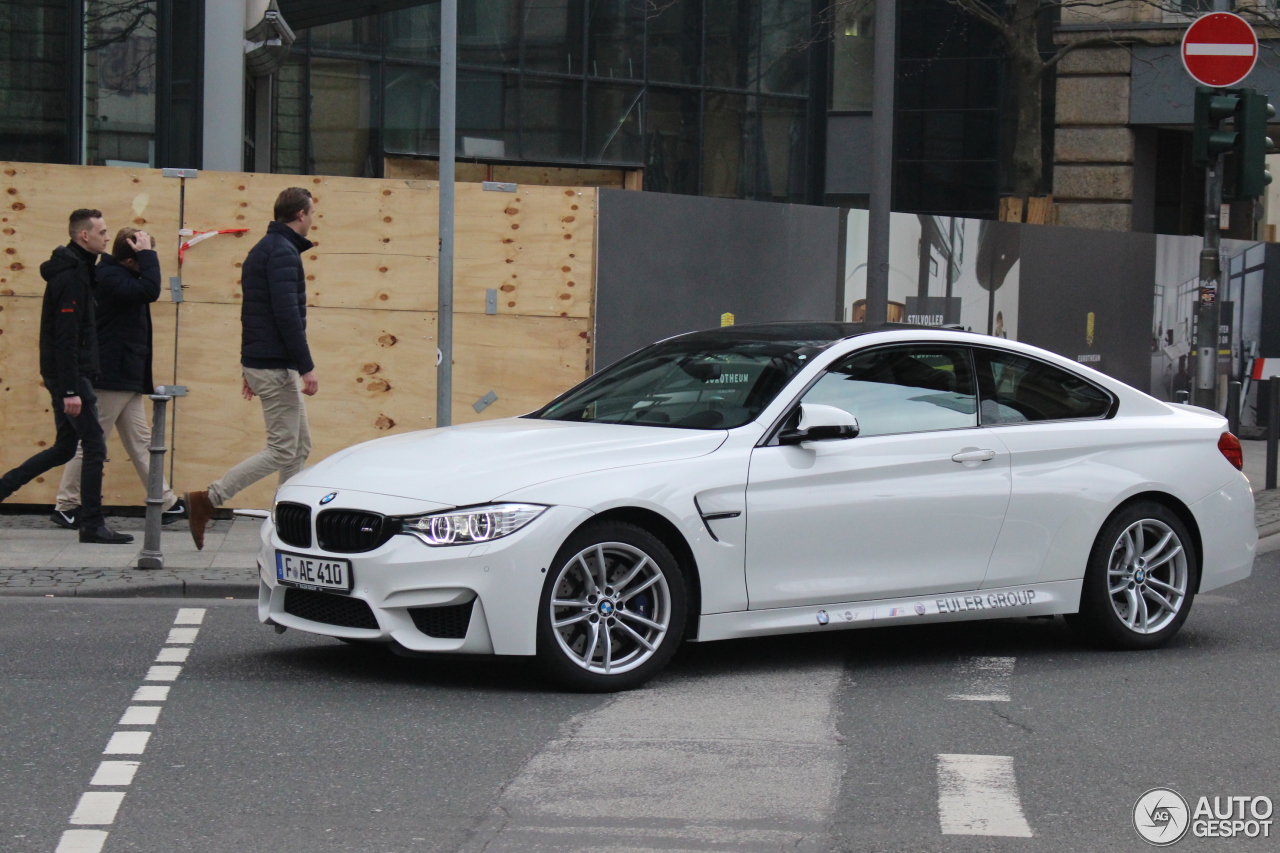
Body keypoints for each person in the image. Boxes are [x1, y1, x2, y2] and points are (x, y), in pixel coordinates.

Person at [185, 187, 319, 549]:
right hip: (275, 366)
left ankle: (284, 524)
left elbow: (252, 313)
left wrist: (249, 367)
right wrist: (306, 367)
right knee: (282, 449)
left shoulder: (265, 249)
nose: (313, 219)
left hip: (268, 362)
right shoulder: (281, 253)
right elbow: (285, 315)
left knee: (299, 446)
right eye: (311, 213)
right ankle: (208, 499)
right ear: (301, 215)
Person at [0, 209, 133, 544]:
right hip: (71, 377)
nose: (107, 237)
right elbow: (65, 335)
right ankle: (91, 524)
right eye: (102, 232)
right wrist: (71, 389)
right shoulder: (71, 275)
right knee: (94, 446)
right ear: (83, 236)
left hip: (71, 375)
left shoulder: (81, 269)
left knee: (63, 448)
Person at [50, 227, 184, 529]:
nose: (147, 265)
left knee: (142, 442)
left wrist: (145, 255)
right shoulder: (110, 277)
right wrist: (148, 253)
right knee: (90, 441)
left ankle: (165, 502)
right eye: (142, 260)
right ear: (129, 261)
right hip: (110, 376)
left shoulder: (117, 275)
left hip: (125, 375)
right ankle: (66, 504)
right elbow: (150, 290)